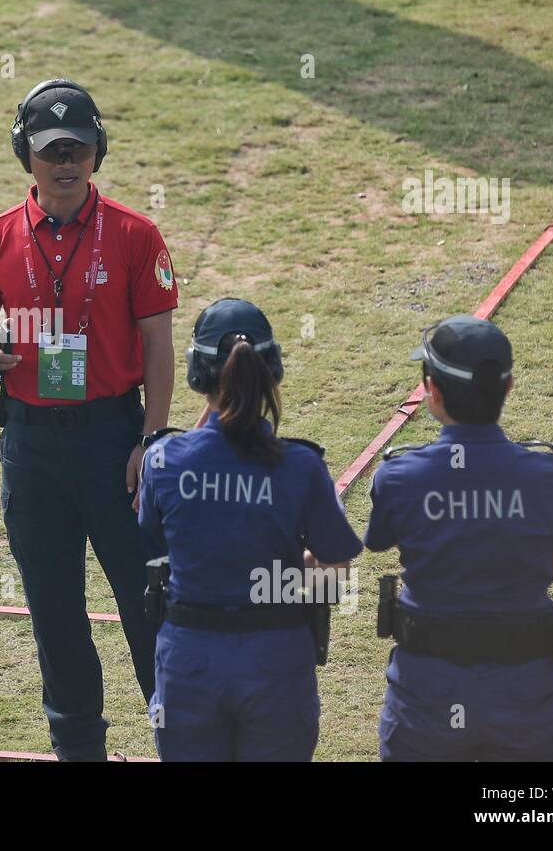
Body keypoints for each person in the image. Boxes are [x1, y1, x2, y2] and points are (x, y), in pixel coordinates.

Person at [0, 78, 178, 760]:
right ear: (28, 155)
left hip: (114, 438)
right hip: (30, 445)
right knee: (55, 615)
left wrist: (152, 438)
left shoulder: (136, 235)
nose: (66, 161)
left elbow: (158, 345)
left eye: (78, 147)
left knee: (148, 603)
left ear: (98, 151)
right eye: (52, 150)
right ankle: (80, 750)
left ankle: (179, 734)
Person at [138, 298, 362, 761]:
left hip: (189, 662)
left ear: (198, 374)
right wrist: (284, 570)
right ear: (272, 370)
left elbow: (158, 535)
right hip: (275, 661)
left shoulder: (163, 460)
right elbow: (335, 568)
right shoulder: (301, 466)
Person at [365, 314, 553, 761]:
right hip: (526, 690)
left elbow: (383, 542)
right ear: (507, 388)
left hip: (428, 691)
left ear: (431, 390)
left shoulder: (399, 477)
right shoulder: (549, 475)